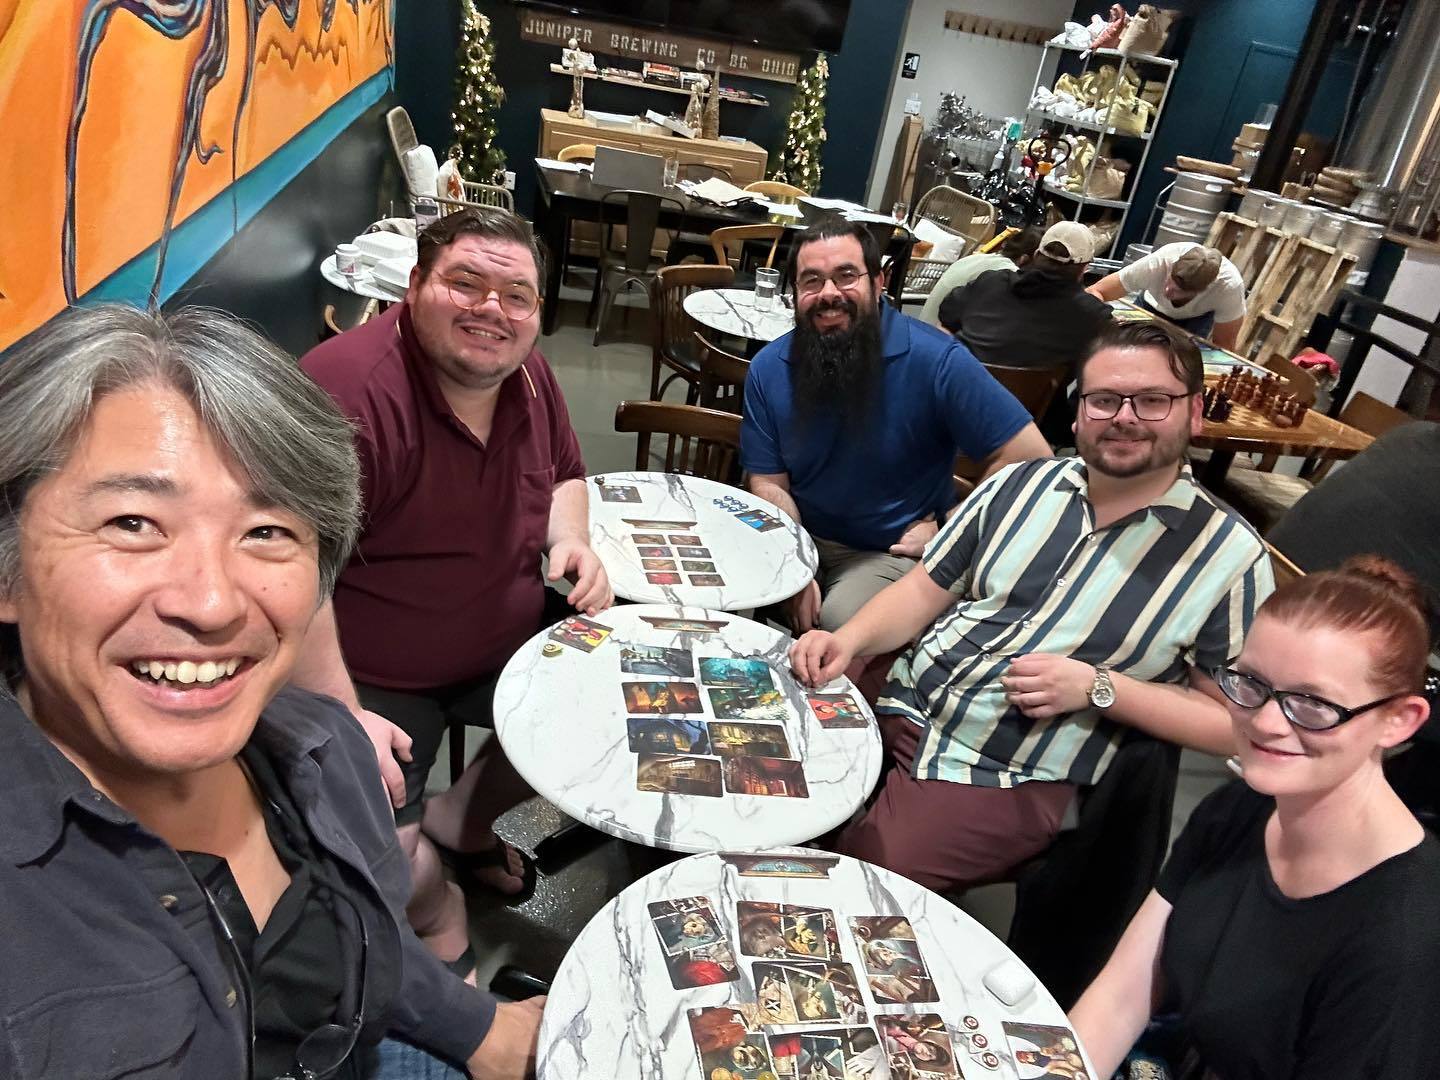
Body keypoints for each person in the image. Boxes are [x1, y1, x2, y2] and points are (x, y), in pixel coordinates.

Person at [0, 304, 541, 1079]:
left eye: (266, 532)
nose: (213, 602)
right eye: (132, 522)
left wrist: (476, 1027)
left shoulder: (329, 756)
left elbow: (368, 944)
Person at [790, 320, 1274, 893]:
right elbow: (923, 590)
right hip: (904, 695)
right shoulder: (1019, 486)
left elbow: (1236, 725)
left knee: (860, 882)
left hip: (1006, 769)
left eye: (1152, 401)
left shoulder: (1230, 559)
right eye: (1104, 399)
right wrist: (849, 640)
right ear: (1078, 413)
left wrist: (1101, 687)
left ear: (1193, 414)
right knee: (764, 759)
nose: (1124, 417)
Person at [298, 207, 612, 972]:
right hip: (373, 674)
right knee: (392, 868)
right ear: (413, 287)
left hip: (499, 642)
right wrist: (342, 711)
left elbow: (568, 471)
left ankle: (463, 824)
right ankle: (442, 912)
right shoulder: (348, 393)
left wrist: (570, 537)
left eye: (516, 296)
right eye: (464, 283)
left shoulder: (529, 374)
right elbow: (285, 575)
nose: (491, 311)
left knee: (613, 712)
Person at [1071, 556, 1440, 1078]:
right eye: (1250, 683)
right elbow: (1122, 995)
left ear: (1399, 721)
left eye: (1313, 705)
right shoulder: (1238, 809)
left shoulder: (1404, 940)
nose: (1265, 722)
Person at [741, 216, 1051, 634]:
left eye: (846, 276)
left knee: (839, 624)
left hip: (885, 553)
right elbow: (769, 482)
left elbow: (1032, 460)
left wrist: (949, 527)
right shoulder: (768, 367)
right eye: (811, 281)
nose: (828, 294)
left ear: (878, 281)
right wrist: (795, 563)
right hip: (800, 535)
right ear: (794, 293)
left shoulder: (937, 360)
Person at [936, 220, 1112, 373]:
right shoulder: (1094, 316)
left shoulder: (991, 281)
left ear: (1036, 255)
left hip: (957, 397)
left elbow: (946, 317)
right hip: (1032, 409)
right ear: (1084, 269)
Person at [1088, 242, 1246, 350]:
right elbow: (1095, 292)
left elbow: (1224, 345)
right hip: (1148, 307)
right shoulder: (1160, 261)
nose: (1168, 290)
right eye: (1170, 279)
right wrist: (1107, 321)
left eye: (1180, 291)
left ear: (1203, 290)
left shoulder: (1229, 287)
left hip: (1195, 320)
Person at [918, 224, 1043, 327]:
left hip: (924, 330)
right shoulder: (1007, 274)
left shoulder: (980, 258)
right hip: (939, 339)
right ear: (1024, 259)